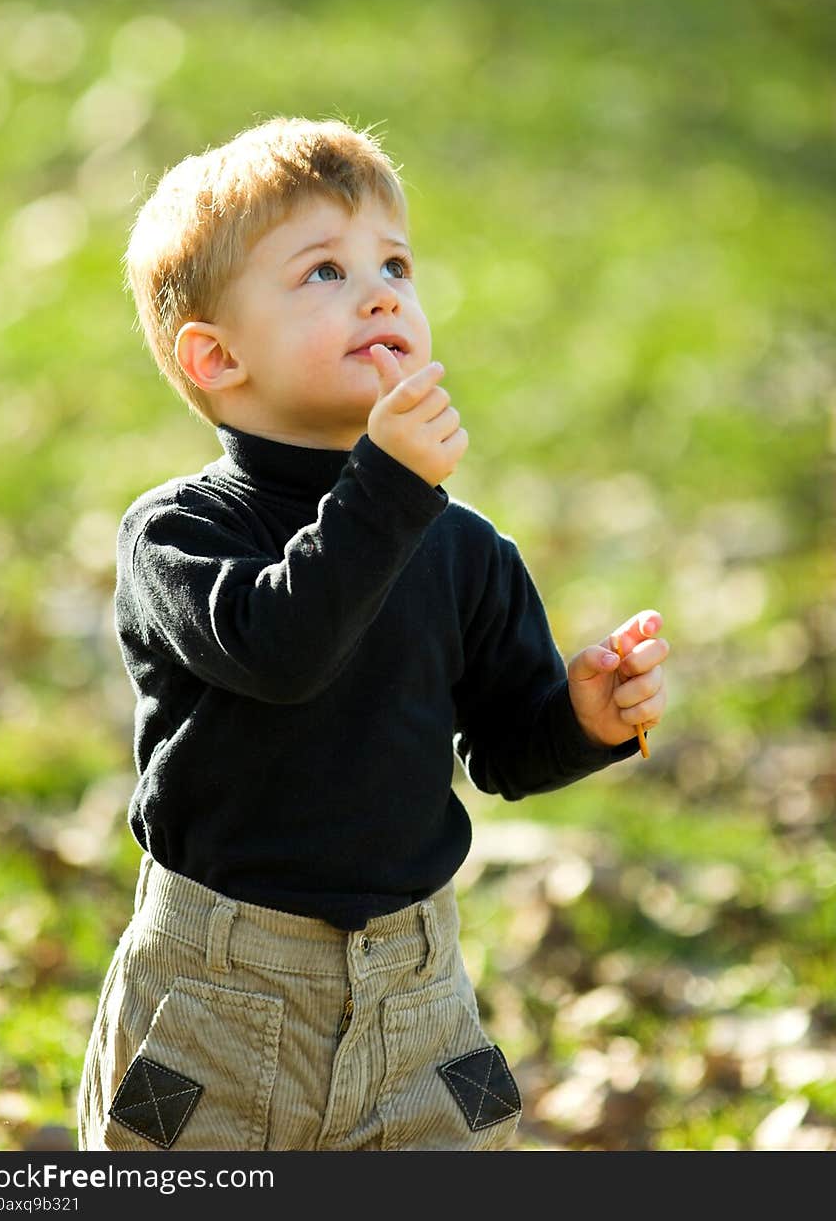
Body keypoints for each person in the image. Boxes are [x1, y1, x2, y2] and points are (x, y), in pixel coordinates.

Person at [77, 116, 669, 1152]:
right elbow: (280, 645)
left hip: (416, 994)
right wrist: (388, 486)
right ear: (217, 356)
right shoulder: (179, 534)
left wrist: (581, 716)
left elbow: (502, 751)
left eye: (394, 262)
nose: (381, 290)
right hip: (218, 996)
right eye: (322, 272)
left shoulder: (461, 548)